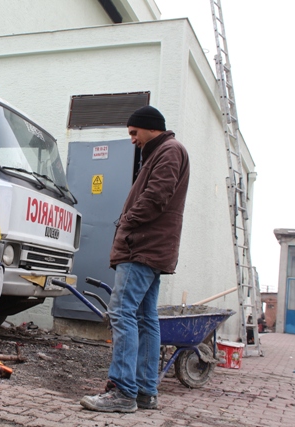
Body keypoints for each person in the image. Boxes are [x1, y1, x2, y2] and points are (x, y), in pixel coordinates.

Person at [80, 106, 190, 413]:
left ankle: (122, 392)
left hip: (142, 247)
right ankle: (144, 392)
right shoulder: (164, 151)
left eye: (133, 133)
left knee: (121, 313)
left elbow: (156, 198)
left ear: (150, 128)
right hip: (151, 248)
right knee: (145, 318)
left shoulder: (168, 151)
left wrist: (125, 222)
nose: (132, 140)